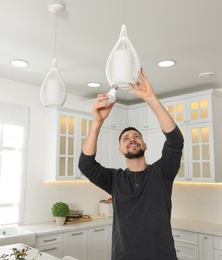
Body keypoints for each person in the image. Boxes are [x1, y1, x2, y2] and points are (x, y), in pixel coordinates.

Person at [78, 68, 184, 260]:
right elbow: (86, 165)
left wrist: (150, 98)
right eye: (126, 138)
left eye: (136, 136)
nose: (132, 139)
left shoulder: (163, 173)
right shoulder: (114, 180)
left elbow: (175, 141)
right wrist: (97, 122)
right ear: (120, 149)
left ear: (144, 145)